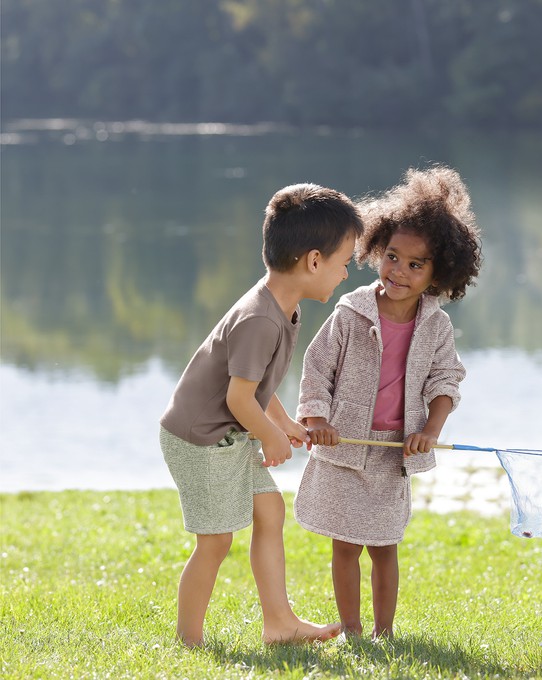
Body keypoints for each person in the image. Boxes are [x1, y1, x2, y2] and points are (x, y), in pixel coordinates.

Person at [159, 183, 363, 647]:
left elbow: (255, 384)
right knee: (215, 542)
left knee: (269, 511)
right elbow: (237, 399)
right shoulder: (260, 319)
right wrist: (271, 437)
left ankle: (280, 624)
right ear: (314, 261)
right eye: (343, 262)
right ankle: (188, 641)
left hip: (228, 433)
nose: (346, 273)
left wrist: (285, 424)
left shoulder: (280, 308)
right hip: (200, 437)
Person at [294, 165, 482, 639]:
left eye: (415, 265)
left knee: (384, 546)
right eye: (392, 257)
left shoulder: (435, 327)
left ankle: (385, 632)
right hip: (343, 448)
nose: (399, 271)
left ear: (439, 274)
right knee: (344, 547)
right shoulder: (350, 313)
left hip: (392, 453)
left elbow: (446, 380)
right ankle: (353, 632)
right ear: (378, 249)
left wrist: (430, 432)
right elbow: (316, 369)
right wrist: (317, 419)